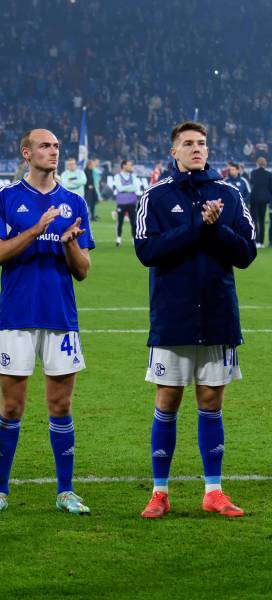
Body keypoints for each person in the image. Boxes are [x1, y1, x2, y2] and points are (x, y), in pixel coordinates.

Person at [135, 121, 256, 519]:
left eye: (202, 143)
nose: (196, 149)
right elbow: (147, 252)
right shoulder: (154, 197)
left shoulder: (229, 194)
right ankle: (159, 493)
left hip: (218, 314)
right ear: (174, 151)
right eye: (188, 143)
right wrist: (196, 227)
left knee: (211, 401)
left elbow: (246, 253)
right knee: (167, 400)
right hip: (173, 317)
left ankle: (213, 491)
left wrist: (216, 227)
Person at [0, 129, 95, 516]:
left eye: (57, 146)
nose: (53, 151)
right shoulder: (5, 197)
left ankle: (65, 491)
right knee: (12, 408)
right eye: (45, 146)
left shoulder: (74, 201)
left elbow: (83, 272)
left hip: (61, 317)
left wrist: (69, 243)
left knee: (60, 406)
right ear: (26, 153)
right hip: (17, 317)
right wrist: (34, 230)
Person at [112, 159, 142, 246]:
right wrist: (130, 187)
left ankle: (134, 240)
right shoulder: (117, 177)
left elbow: (135, 188)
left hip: (132, 203)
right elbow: (120, 188)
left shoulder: (133, 176)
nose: (131, 166)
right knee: (120, 222)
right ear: (124, 166)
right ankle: (118, 239)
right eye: (129, 165)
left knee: (133, 222)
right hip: (121, 203)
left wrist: (125, 187)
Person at [248, 157, 272, 248]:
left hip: (254, 200)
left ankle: (257, 242)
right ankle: (261, 242)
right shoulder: (269, 174)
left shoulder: (253, 173)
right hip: (264, 200)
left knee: (254, 221)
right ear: (265, 164)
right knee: (262, 221)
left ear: (257, 164)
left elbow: (251, 186)